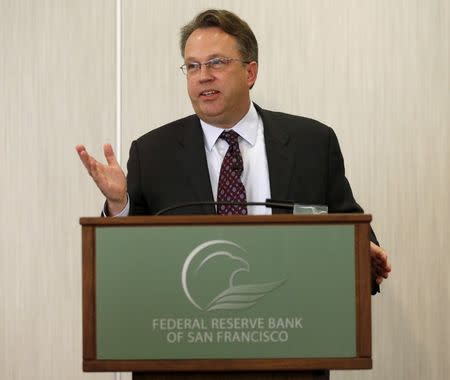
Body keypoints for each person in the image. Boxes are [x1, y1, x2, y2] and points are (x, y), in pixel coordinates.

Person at [76, 9, 390, 292]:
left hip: (295, 328)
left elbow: (349, 226)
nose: (203, 76)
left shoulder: (312, 143)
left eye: (217, 62)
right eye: (192, 66)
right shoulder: (153, 154)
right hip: (192, 335)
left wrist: (365, 251)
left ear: (250, 72)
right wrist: (119, 205)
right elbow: (131, 261)